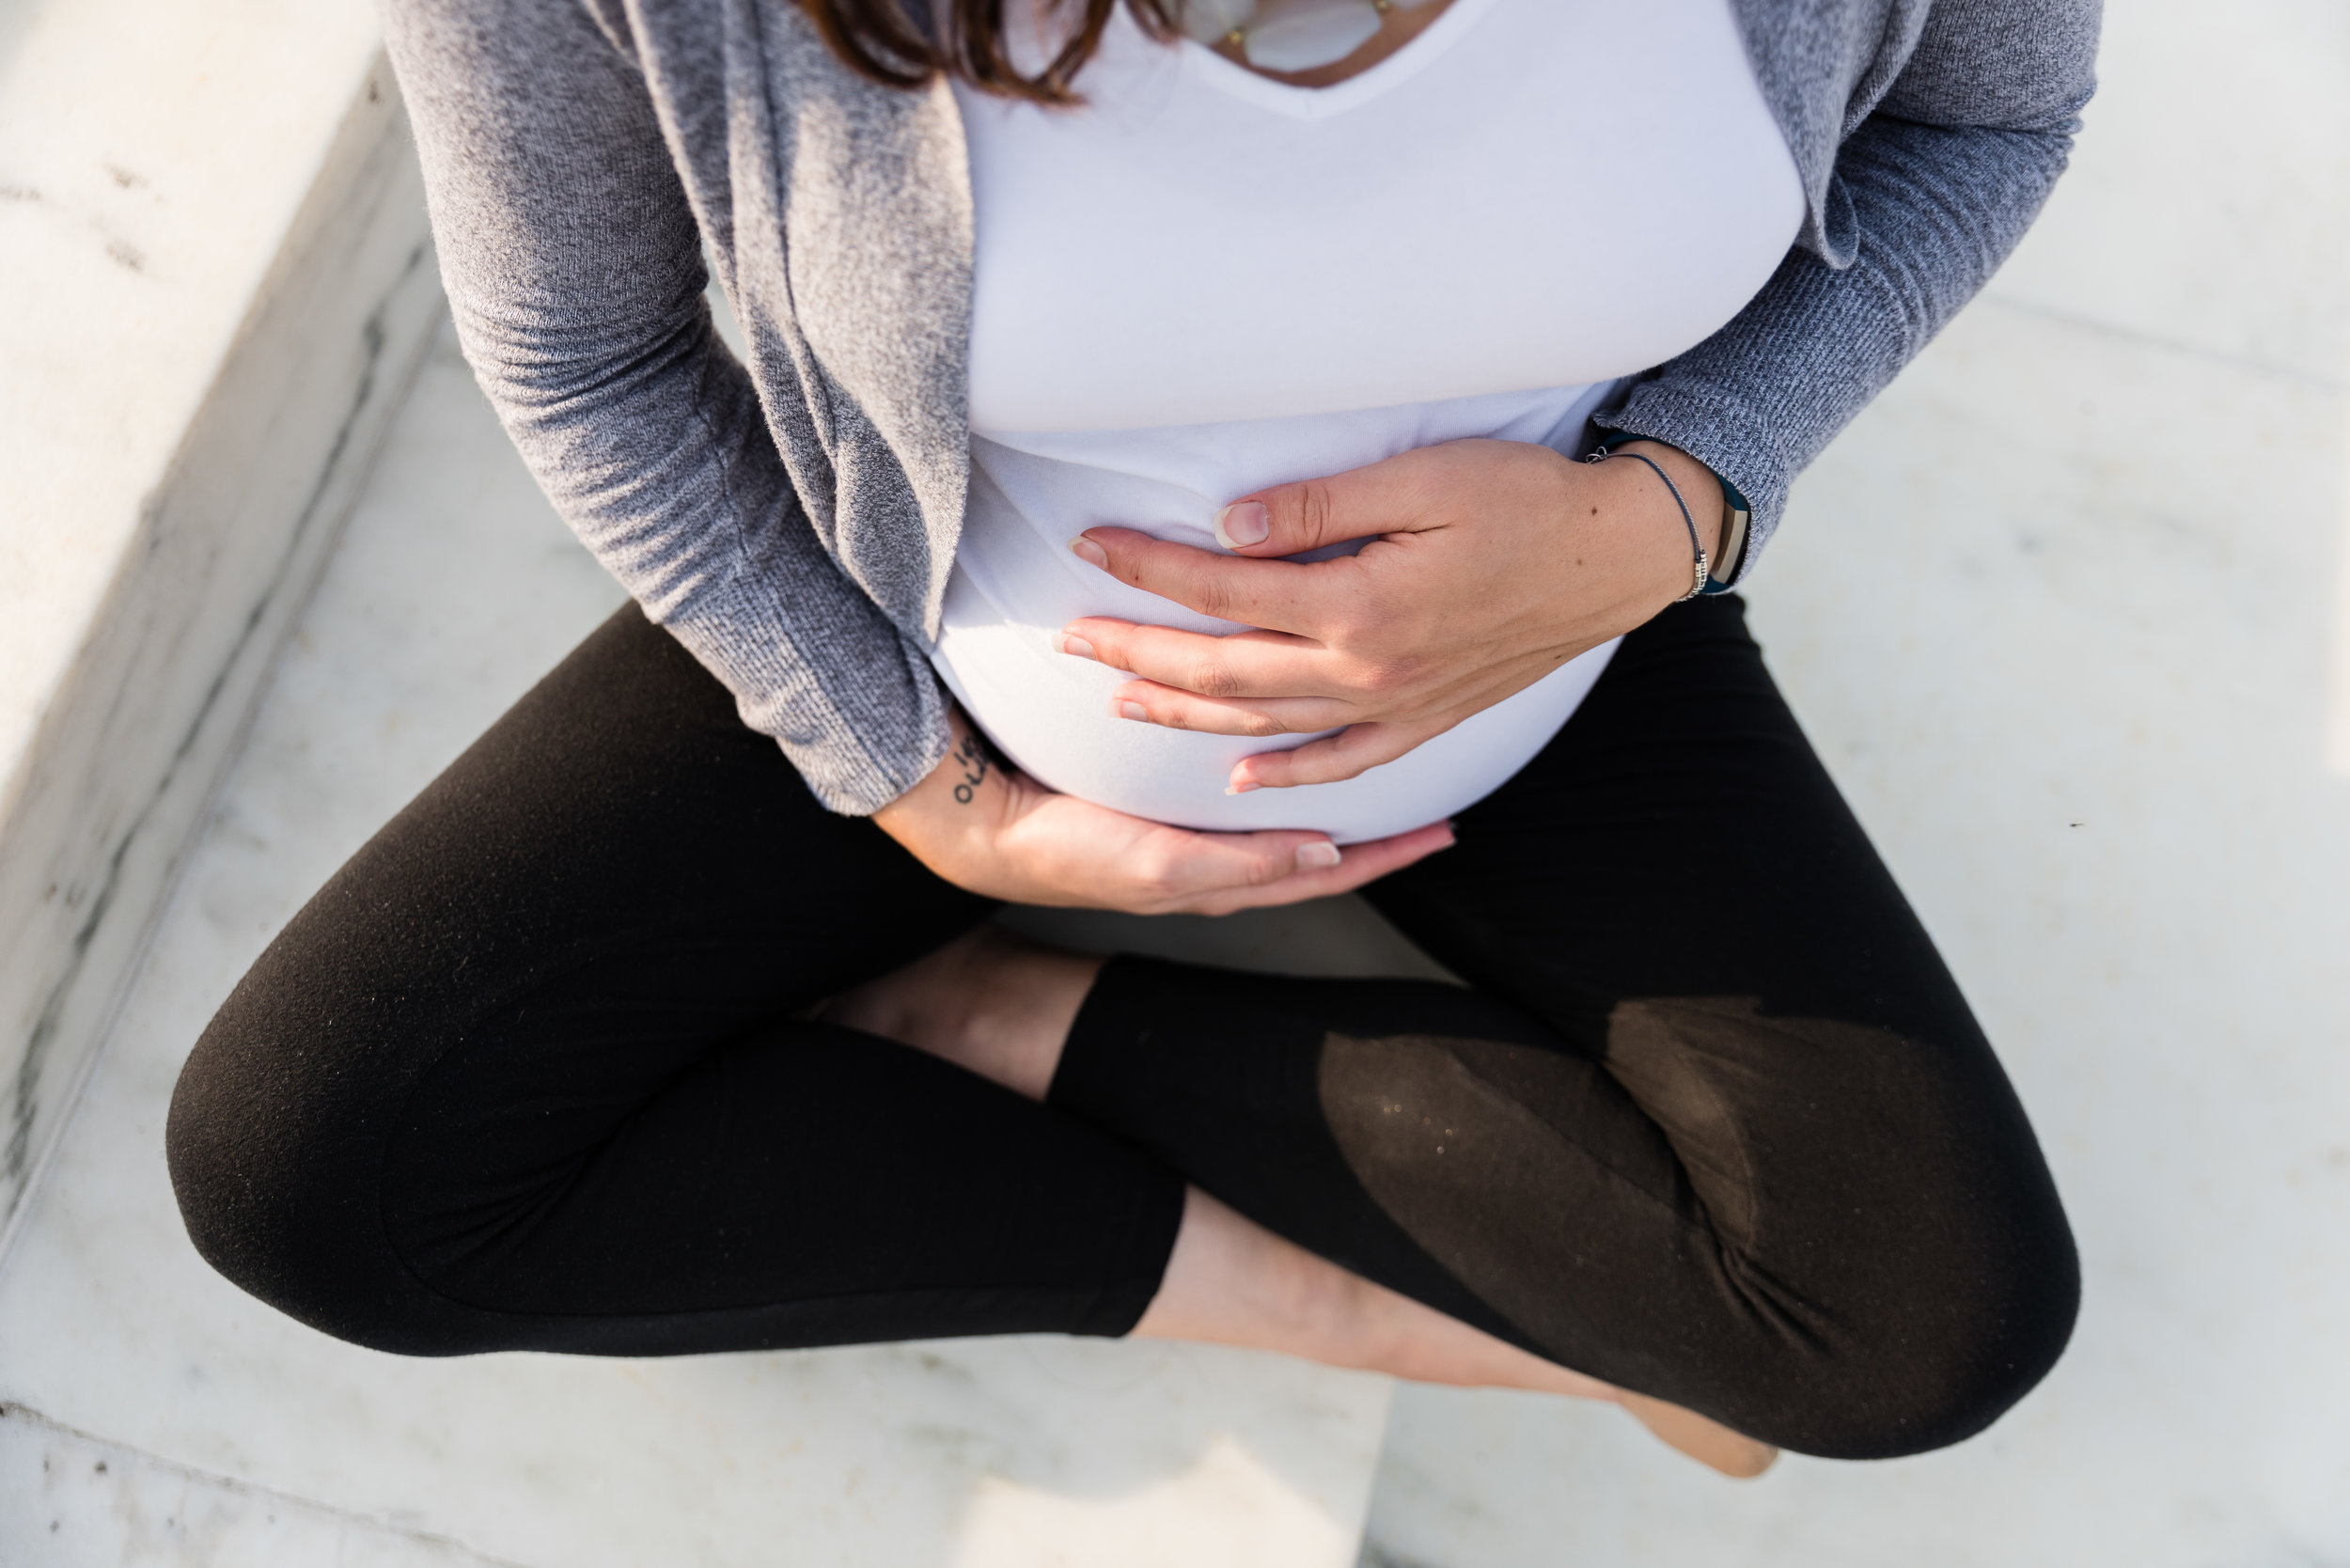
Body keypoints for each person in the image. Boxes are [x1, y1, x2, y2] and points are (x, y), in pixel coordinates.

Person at [165, 0, 2096, 1477]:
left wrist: (1663, 510)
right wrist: (922, 791)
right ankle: (1310, 1294)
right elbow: (587, 351)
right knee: (317, 1178)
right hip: (918, 624)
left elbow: (1988, 116)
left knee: (1916, 1326)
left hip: (1559, 636)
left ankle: (998, 1018)